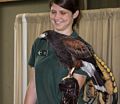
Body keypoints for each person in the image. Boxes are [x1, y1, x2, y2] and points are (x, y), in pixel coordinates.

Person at [24, 0, 118, 104]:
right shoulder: (40, 42)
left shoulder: (80, 46)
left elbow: (73, 93)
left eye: (63, 12)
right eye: (53, 12)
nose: (56, 17)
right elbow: (33, 84)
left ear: (75, 14)